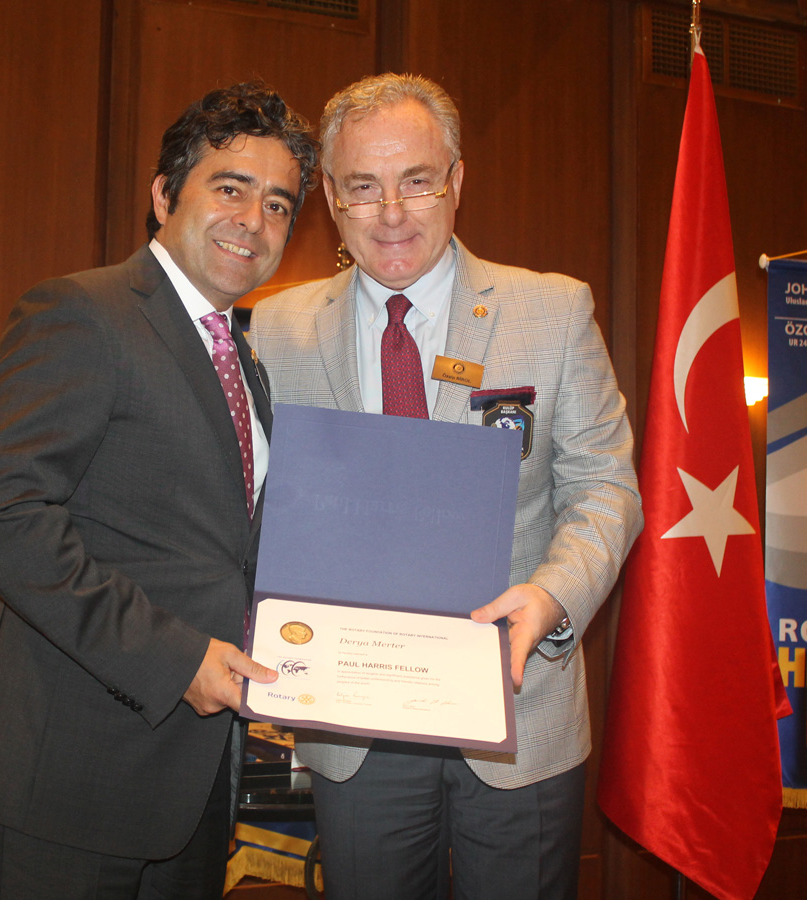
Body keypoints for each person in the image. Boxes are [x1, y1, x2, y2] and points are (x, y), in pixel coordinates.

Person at [248, 73, 643, 900]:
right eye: (363, 187)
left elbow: (604, 485)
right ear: (331, 197)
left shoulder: (552, 311)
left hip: (518, 707)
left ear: (457, 181)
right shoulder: (276, 328)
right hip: (354, 717)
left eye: (417, 181)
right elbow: (255, 497)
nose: (391, 212)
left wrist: (551, 597)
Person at [0, 82, 319, 900]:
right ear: (163, 196)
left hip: (194, 781)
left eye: (278, 205)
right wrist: (176, 658)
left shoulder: (243, 359)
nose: (253, 221)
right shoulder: (82, 313)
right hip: (72, 776)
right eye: (230, 188)